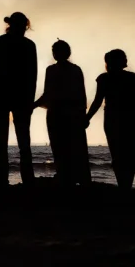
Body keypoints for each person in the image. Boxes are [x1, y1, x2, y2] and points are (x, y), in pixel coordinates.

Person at [0, 12, 38, 184]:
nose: (23, 29)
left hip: (6, 98)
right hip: (17, 98)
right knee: (22, 142)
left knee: (5, 142)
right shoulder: (28, 45)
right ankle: (25, 179)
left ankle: (5, 180)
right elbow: (32, 75)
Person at [33, 40, 89, 187]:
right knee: (68, 146)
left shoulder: (54, 70)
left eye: (56, 50)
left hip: (62, 113)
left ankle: (66, 176)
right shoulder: (73, 70)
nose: (55, 53)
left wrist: (33, 105)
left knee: (63, 146)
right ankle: (71, 176)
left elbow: (48, 94)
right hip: (65, 113)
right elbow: (80, 95)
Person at [87, 49, 135, 190]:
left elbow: (97, 101)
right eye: (123, 58)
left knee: (118, 153)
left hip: (113, 117)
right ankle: (126, 185)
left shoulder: (105, 78)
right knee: (130, 153)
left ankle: (124, 185)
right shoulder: (131, 78)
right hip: (128, 117)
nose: (126, 60)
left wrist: (87, 118)